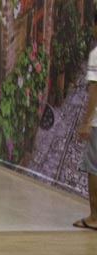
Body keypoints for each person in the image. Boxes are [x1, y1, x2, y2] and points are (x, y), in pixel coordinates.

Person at [76, 13, 97, 231]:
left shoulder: (96, 54)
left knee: (94, 168)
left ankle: (94, 217)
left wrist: (85, 122)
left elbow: (94, 92)